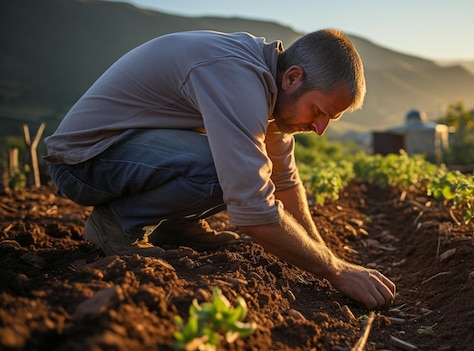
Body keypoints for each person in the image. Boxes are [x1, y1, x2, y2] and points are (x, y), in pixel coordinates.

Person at [44, 29, 395, 310]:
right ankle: (117, 224)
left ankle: (174, 225)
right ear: (293, 78)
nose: (319, 129)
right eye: (318, 111)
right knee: (231, 169)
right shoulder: (238, 76)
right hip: (83, 162)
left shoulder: (267, 88)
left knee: (249, 165)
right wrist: (335, 271)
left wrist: (327, 257)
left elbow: (286, 182)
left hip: (118, 156)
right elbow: (253, 210)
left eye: (328, 120)